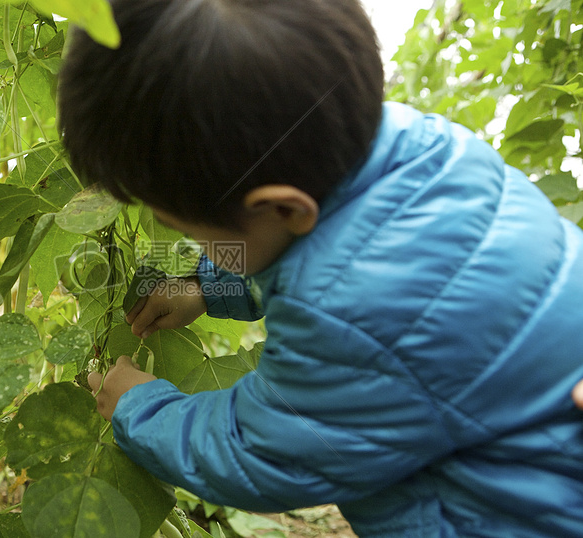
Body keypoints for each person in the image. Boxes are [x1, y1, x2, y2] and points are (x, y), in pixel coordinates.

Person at [57, 0, 583, 535]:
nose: (193, 243)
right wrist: (203, 284)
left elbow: (259, 455)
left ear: (283, 206)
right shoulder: (422, 151)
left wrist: (139, 406)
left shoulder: (355, 318)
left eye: (192, 233)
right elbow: (327, 253)